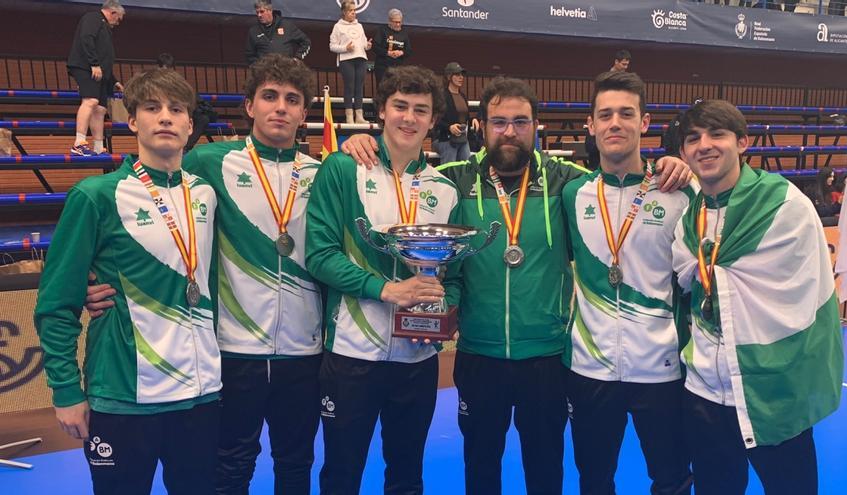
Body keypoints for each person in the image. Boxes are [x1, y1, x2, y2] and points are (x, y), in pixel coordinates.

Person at [341, 77, 691, 495]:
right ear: (481, 127)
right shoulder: (454, 180)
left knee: (545, 471)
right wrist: (362, 144)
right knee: (480, 469)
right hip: (478, 354)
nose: (510, 132)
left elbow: (621, 182)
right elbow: (406, 171)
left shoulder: (569, 183)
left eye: (521, 122)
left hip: (545, 358)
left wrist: (673, 164)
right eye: (499, 122)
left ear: (536, 126)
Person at [86, 54, 324, 494]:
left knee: (297, 463)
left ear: (303, 113)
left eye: (292, 100)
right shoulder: (208, 162)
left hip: (305, 352)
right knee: (230, 466)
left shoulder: (324, 174)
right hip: (232, 351)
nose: (280, 108)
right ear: (249, 106)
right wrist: (94, 277)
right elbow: (151, 193)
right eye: (269, 97)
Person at [35, 68, 222, 494]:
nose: (165, 118)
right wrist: (65, 390)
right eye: (152, 108)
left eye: (176, 110)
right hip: (123, 395)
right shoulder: (95, 195)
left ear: (190, 125)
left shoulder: (206, 195)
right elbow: (56, 302)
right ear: (132, 120)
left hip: (201, 393)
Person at [672, 99, 843, 495]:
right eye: (693, 139)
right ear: (683, 152)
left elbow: (805, 290)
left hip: (773, 389)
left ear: (743, 142)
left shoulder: (785, 206)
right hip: (705, 393)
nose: (705, 146)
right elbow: (686, 280)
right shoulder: (688, 218)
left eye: (718, 134)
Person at [305, 65, 462, 494]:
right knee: (341, 472)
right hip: (353, 355)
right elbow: (319, 255)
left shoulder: (444, 188)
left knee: (408, 474)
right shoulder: (342, 168)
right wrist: (388, 290)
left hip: (417, 357)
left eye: (421, 110)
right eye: (400, 106)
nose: (409, 118)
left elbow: (455, 273)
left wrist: (442, 312)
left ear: (433, 121)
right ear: (382, 112)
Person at [562, 70, 694, 495]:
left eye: (625, 113)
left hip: (663, 367)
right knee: (594, 480)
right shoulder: (572, 193)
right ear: (591, 125)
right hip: (589, 367)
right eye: (605, 115)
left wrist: (679, 165)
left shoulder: (678, 191)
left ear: (645, 122)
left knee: (671, 479)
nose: (614, 123)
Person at [67, 0, 125, 156]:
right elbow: (86, 38)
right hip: (86, 68)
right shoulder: (93, 18)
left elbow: (104, 58)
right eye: (118, 19)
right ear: (112, 12)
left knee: (100, 109)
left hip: (99, 71)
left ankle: (99, 146)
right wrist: (93, 63)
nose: (117, 23)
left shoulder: (105, 27)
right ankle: (79, 142)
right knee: (90, 101)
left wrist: (114, 81)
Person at [156, 53, 218, 152]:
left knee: (203, 119)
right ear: (159, 68)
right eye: (165, 68)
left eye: (170, 68)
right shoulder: (154, 82)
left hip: (184, 109)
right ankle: (183, 148)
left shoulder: (179, 81)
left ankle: (185, 148)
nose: (167, 71)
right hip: (170, 111)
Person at [330, 0, 372, 124]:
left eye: (354, 11)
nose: (354, 13)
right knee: (349, 87)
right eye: (351, 11)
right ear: (344, 12)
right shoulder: (338, 26)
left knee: (359, 87)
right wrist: (345, 48)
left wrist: (368, 45)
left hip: (361, 58)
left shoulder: (359, 26)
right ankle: (349, 116)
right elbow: (332, 46)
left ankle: (359, 116)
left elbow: (364, 43)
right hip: (346, 60)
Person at [432, 62, 478, 165]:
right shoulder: (442, 96)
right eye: (457, 75)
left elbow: (463, 118)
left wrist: (473, 120)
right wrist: (449, 127)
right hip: (444, 139)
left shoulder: (463, 96)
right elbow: (435, 118)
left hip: (461, 138)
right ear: (449, 76)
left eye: (462, 75)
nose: (461, 77)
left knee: (467, 166)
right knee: (450, 167)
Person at [245, 0, 311, 65]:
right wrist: (259, 67)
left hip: (285, 71)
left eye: (262, 12)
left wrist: (298, 58)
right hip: (265, 73)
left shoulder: (287, 26)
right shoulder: (253, 31)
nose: (259, 15)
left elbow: (306, 42)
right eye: (257, 12)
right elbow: (249, 55)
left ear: (270, 10)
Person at [372, 9, 412, 85]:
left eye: (399, 22)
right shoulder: (382, 30)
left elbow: (409, 50)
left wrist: (401, 52)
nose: (398, 24)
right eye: (395, 22)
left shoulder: (404, 33)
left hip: (398, 67)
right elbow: (375, 47)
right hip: (383, 66)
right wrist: (388, 53)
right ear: (390, 21)